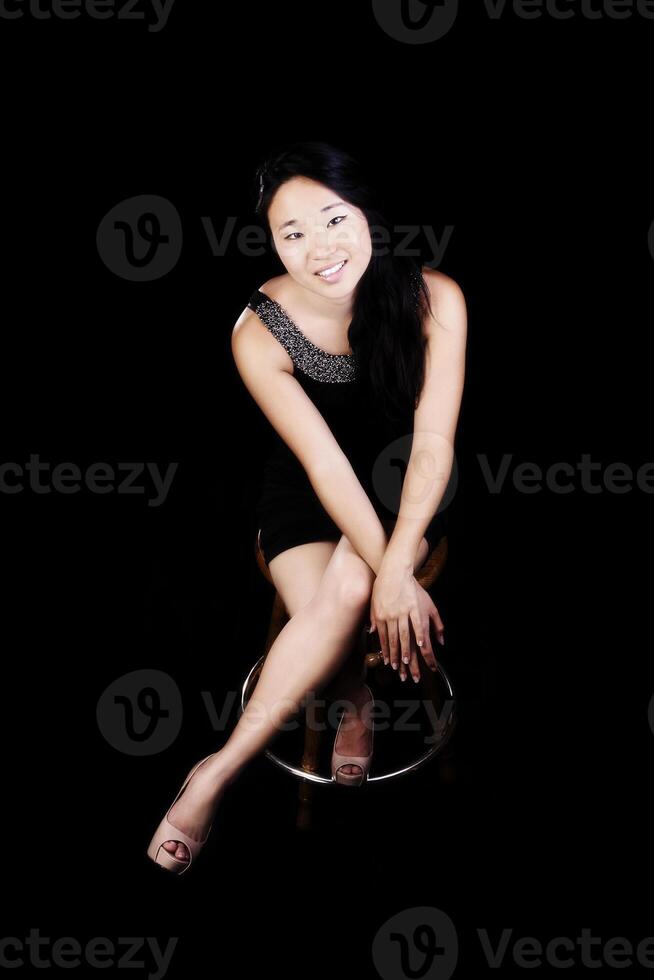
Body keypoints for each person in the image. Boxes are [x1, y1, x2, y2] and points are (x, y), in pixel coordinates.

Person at [147, 140, 467, 873]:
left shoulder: (435, 297)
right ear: (271, 244)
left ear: (366, 214)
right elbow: (322, 463)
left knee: (355, 583)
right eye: (292, 234)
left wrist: (392, 558)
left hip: (406, 489)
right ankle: (352, 693)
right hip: (305, 490)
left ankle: (213, 773)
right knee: (352, 589)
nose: (318, 248)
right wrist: (390, 576)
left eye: (332, 219)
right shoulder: (259, 331)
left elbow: (432, 444)